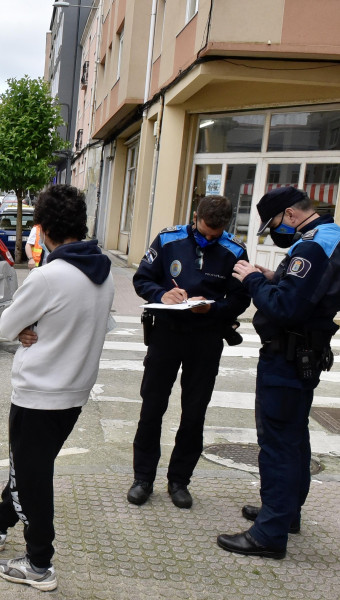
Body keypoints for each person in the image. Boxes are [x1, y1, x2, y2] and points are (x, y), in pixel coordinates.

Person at [0, 184, 114, 591]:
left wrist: (30, 327)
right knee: (27, 465)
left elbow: (7, 325)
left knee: (33, 476)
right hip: (74, 393)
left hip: (39, 393)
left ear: (42, 228)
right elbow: (98, 324)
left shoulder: (48, 276)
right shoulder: (104, 272)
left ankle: (39, 563)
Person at [217, 187, 340, 559]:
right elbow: (304, 292)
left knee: (278, 445)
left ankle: (268, 533)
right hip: (302, 354)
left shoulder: (311, 246)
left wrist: (252, 280)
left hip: (286, 358)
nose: (274, 232)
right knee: (294, 438)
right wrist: (275, 275)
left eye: (273, 225)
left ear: (289, 214)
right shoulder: (328, 237)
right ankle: (286, 514)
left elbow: (287, 308)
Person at [128, 195, 250, 509]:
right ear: (194, 217)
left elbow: (240, 300)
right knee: (152, 408)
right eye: (204, 231)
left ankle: (179, 481)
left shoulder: (234, 251)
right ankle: (143, 478)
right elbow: (141, 278)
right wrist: (162, 293)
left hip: (206, 338)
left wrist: (214, 308)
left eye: (215, 234)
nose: (209, 238)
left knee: (194, 414)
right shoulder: (169, 240)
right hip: (166, 334)